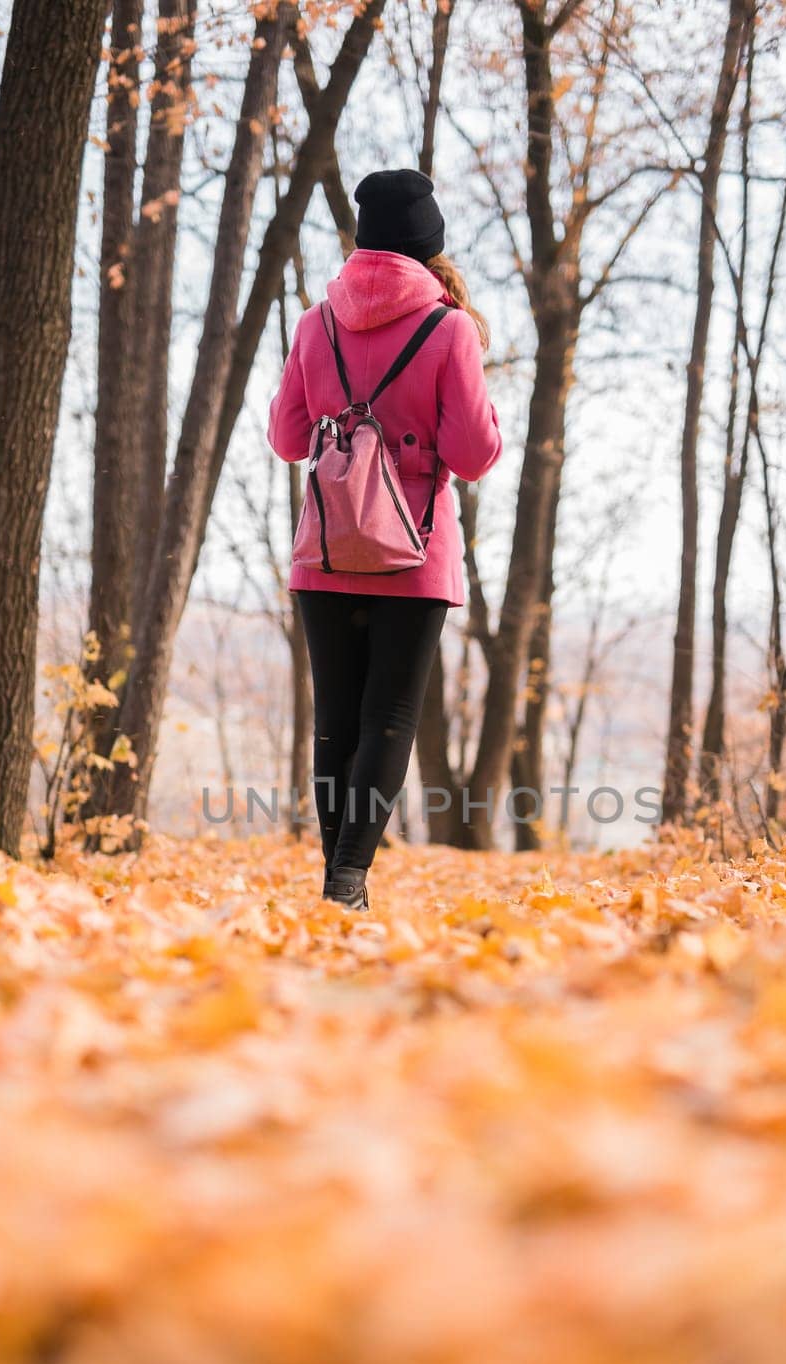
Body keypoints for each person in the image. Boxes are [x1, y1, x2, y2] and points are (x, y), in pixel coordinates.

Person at [267, 169, 503, 909]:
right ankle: (348, 881)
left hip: (328, 548)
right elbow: (471, 455)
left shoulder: (314, 323)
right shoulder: (449, 326)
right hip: (415, 551)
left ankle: (336, 883)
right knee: (388, 720)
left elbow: (286, 438)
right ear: (426, 242)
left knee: (334, 721)